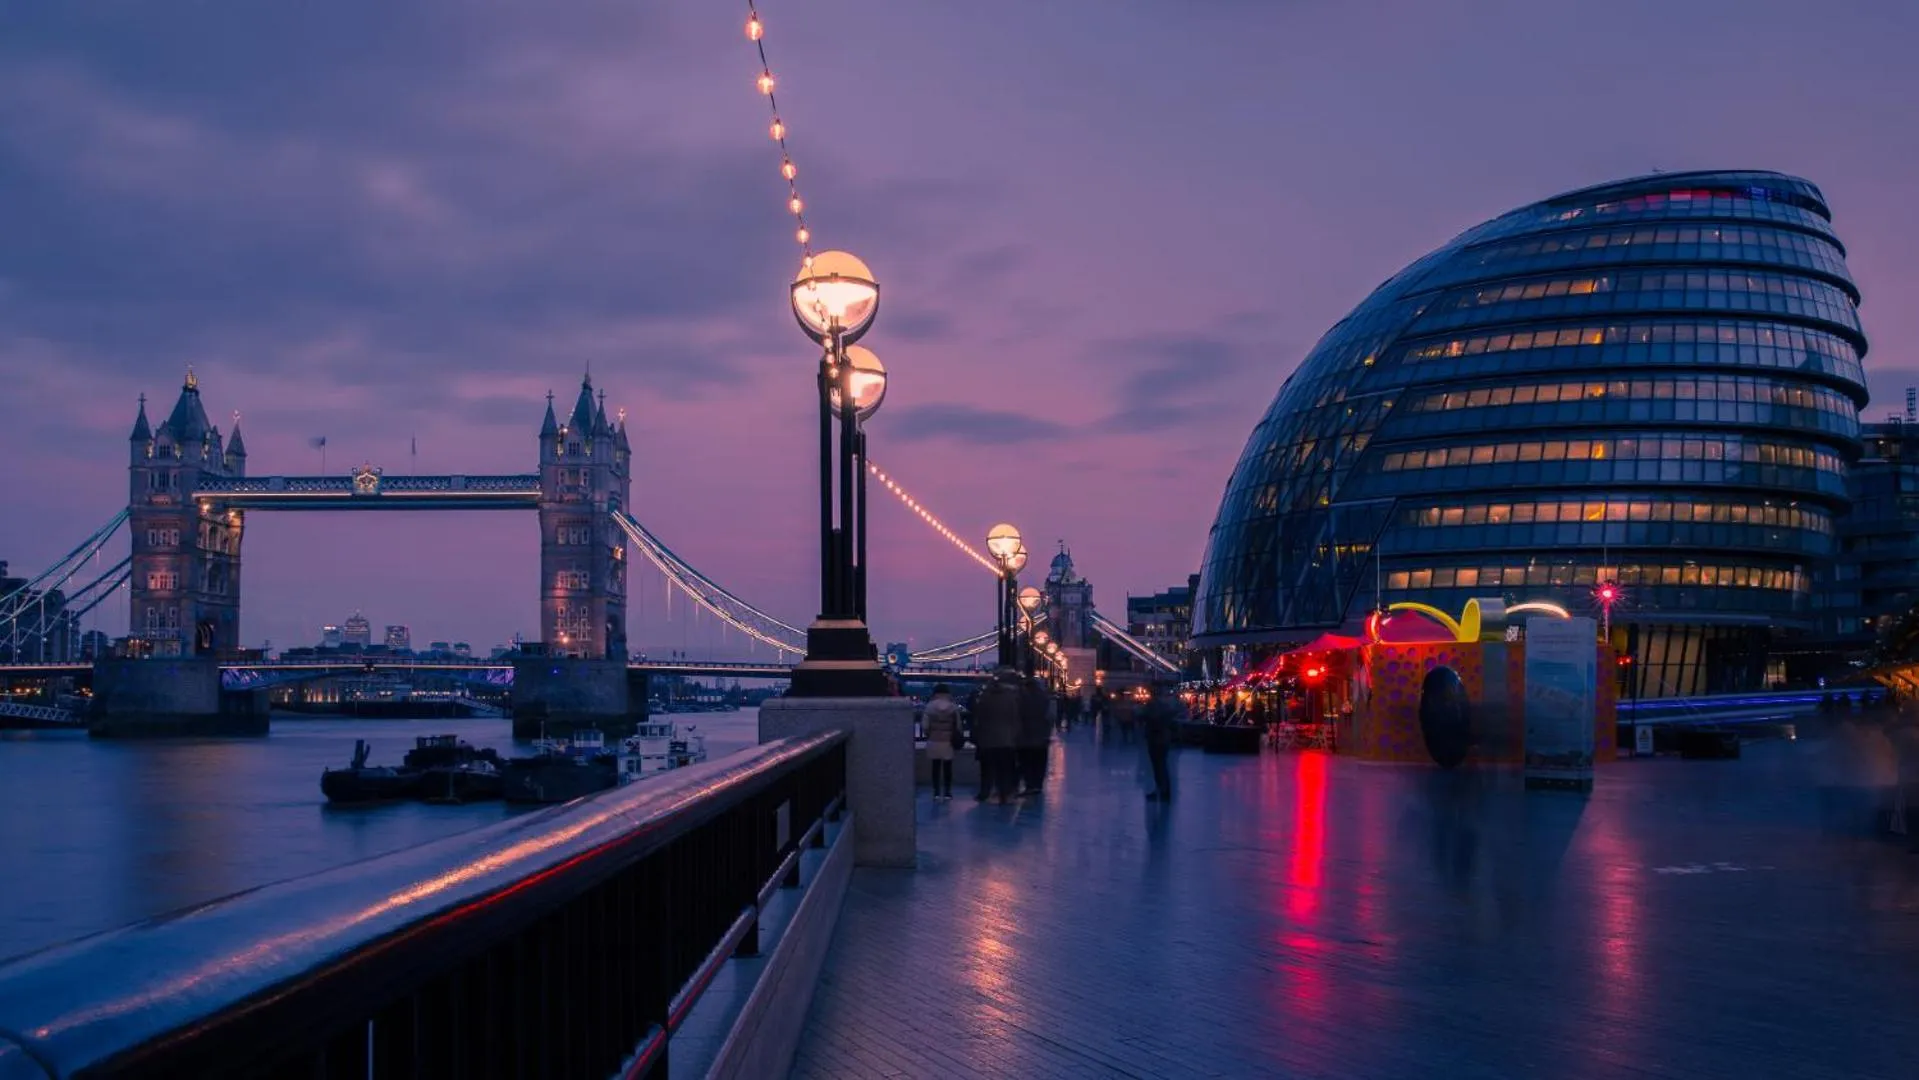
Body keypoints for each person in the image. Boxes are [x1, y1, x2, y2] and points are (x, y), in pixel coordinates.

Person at [971, 667, 1023, 803]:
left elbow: (979, 717)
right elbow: (1015, 719)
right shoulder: (1011, 698)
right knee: (1004, 769)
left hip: (986, 740)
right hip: (1005, 740)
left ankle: (984, 792)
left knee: (986, 769)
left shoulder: (985, 697)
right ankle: (1003, 794)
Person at [1140, 682, 1181, 801]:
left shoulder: (1153, 705)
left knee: (1158, 766)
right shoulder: (1165, 705)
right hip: (1163, 739)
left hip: (1156, 739)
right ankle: (1164, 790)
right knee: (1161, 766)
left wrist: (1143, 715)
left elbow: (1149, 717)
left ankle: (1162, 790)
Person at [921, 683, 962, 801]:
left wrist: (929, 734)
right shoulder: (953, 707)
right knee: (948, 768)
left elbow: (925, 725)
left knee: (935, 767)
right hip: (948, 740)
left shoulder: (929, 707)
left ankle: (936, 792)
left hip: (934, 740)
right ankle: (948, 792)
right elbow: (958, 726)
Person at [1017, 676, 1055, 797]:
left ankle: (1029, 785)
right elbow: (1051, 716)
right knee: (1040, 762)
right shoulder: (1045, 698)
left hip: (1026, 736)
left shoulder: (1022, 698)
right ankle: (1037, 785)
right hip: (1041, 737)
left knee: (1027, 762)